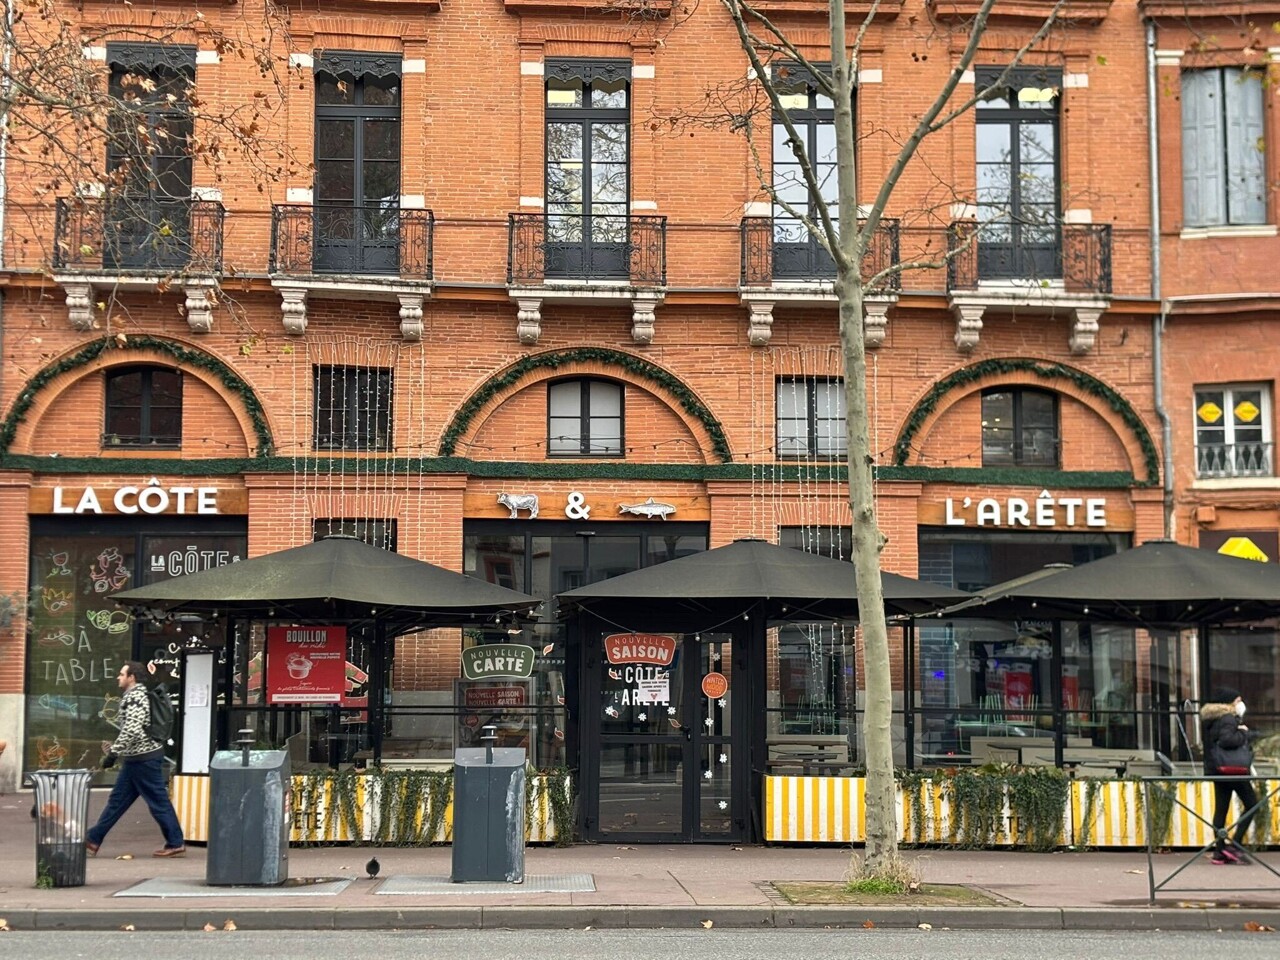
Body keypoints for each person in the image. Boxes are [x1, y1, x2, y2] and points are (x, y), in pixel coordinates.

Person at [85, 662, 185, 858]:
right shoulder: (134, 695)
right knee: (117, 801)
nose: (118, 677)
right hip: (136, 759)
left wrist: (113, 753)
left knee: (158, 802)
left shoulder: (135, 697)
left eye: (122, 674)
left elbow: (132, 728)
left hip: (144, 759)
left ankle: (175, 842)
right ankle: (93, 839)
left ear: (132, 677)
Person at [1200, 686, 1260, 865]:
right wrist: (1244, 733)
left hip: (1218, 768)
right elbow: (1228, 740)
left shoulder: (1212, 718)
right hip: (1234, 770)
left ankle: (1220, 851)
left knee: (1221, 809)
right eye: (1238, 700)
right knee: (1252, 804)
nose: (1241, 704)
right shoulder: (1227, 718)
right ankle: (1236, 844)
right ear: (1229, 702)